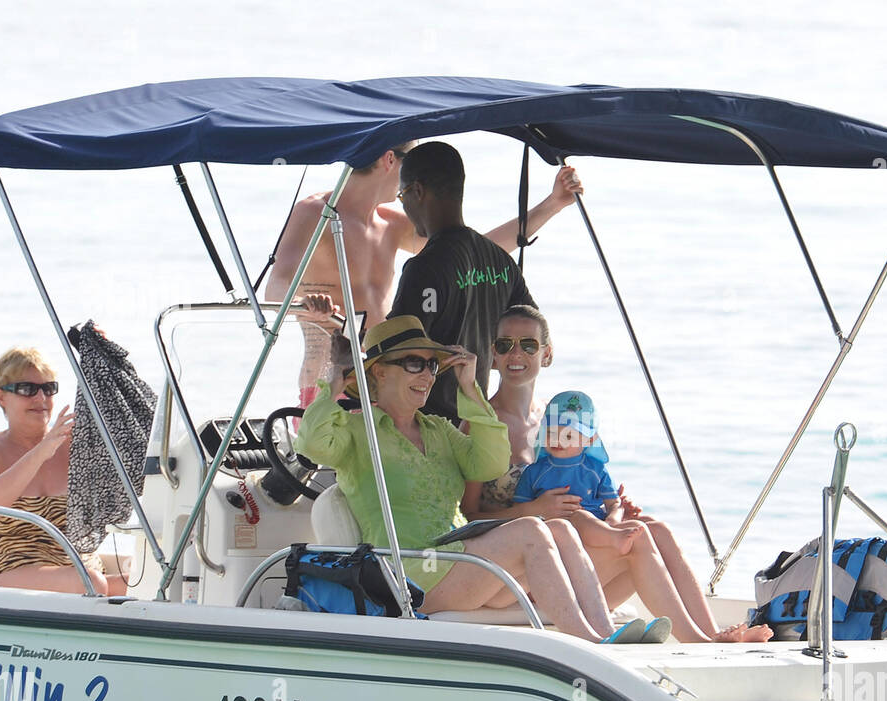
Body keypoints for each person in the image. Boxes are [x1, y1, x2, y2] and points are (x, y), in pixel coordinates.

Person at [293, 311, 668, 644]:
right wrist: (335, 383)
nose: (426, 374)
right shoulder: (358, 431)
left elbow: (490, 463)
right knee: (531, 530)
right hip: (410, 571)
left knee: (560, 529)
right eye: (413, 363)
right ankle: (589, 641)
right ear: (378, 370)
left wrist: (470, 388)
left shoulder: (438, 430)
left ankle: (604, 631)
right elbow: (311, 444)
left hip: (461, 560)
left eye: (431, 365)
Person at [461, 306, 772, 643]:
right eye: (505, 344)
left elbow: (589, 481)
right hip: (526, 564)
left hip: (575, 551)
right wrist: (531, 510)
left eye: (528, 345)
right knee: (637, 538)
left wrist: (612, 507)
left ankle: (711, 631)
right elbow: (468, 514)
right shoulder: (482, 424)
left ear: (547, 354)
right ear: (493, 352)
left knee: (654, 528)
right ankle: (702, 642)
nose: (516, 353)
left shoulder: (557, 418)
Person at [267, 142, 582, 409]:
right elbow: (275, 287)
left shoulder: (392, 223)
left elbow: (467, 252)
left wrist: (552, 204)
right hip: (335, 380)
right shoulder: (314, 213)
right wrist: (306, 302)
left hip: (393, 382)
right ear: (390, 159)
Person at [389, 142, 541, 422]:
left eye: (402, 196)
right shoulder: (501, 261)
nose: (405, 207)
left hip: (428, 429)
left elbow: (397, 353)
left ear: (418, 191)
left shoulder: (424, 267)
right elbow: (536, 339)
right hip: (476, 426)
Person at [0, 348, 127, 595]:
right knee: (89, 584)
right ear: (1, 396)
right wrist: (41, 451)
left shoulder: (75, 446)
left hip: (81, 573)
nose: (40, 399)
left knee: (147, 582)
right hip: (3, 571)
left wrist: (105, 357)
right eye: (27, 389)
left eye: (48, 389)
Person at [514, 391, 640, 555]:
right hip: (553, 533)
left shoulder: (596, 470)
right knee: (579, 517)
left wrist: (613, 519)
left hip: (596, 526)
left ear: (589, 439)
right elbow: (519, 510)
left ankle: (612, 535)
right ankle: (614, 539)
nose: (558, 440)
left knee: (650, 526)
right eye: (551, 433)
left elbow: (614, 503)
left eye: (568, 435)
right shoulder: (533, 472)